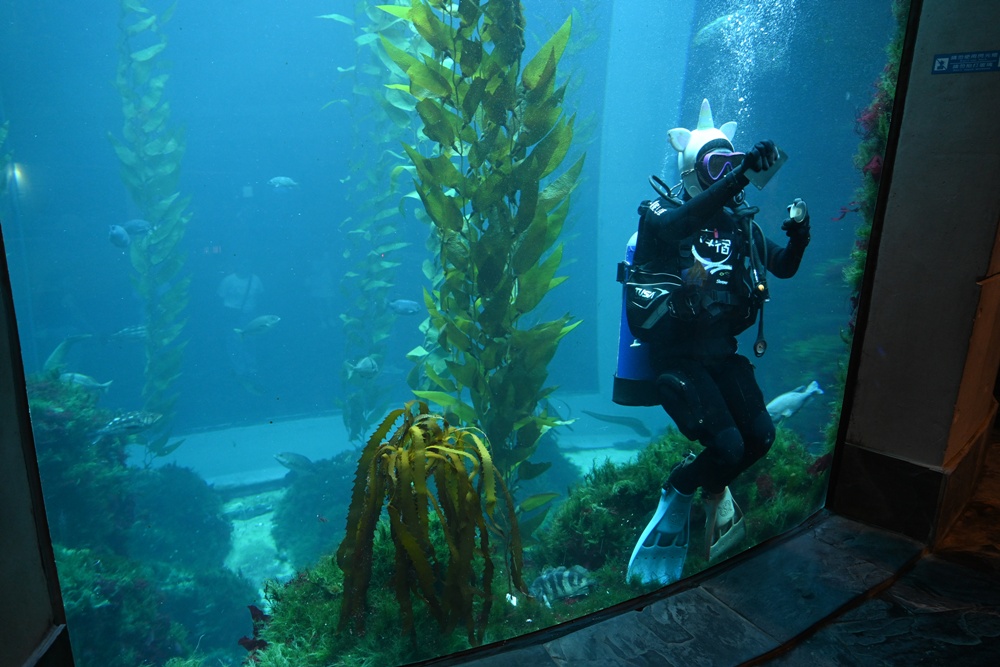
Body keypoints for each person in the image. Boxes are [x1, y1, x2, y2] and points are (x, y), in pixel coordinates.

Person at [623, 99, 811, 585]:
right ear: (693, 169)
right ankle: (681, 488)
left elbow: (783, 266)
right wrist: (743, 173)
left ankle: (710, 483)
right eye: (717, 165)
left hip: (722, 353)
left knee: (761, 438)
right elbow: (679, 223)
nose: (727, 176)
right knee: (727, 445)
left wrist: (800, 235)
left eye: (732, 163)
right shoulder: (658, 213)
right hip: (677, 356)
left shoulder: (738, 222)